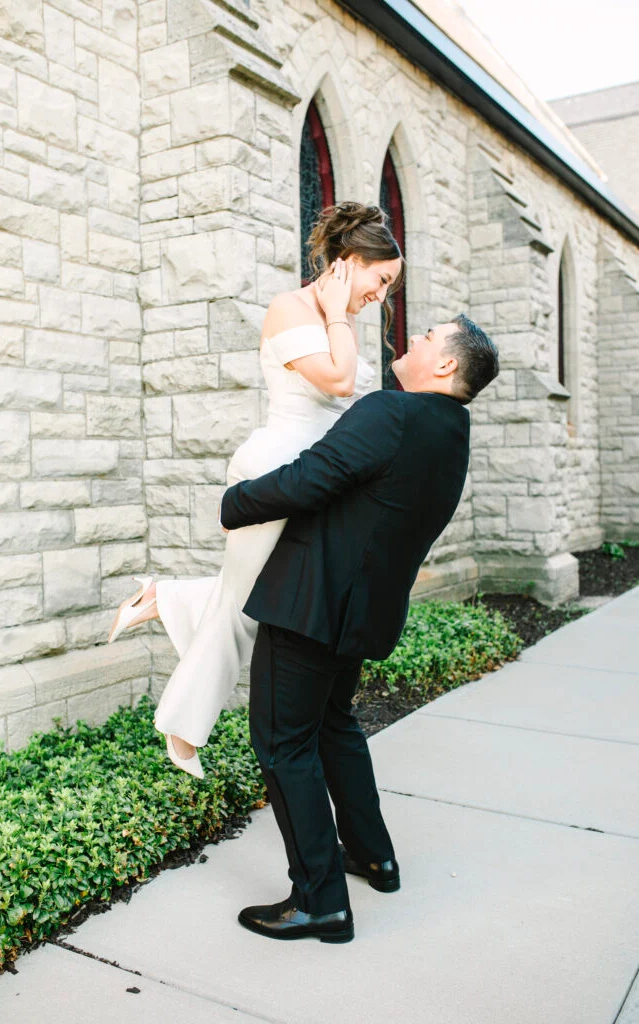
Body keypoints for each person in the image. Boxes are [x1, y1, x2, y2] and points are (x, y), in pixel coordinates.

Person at [219, 314, 499, 943]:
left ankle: (320, 901)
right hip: (363, 611)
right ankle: (374, 856)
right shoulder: (452, 431)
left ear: (447, 365)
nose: (413, 338)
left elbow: (313, 476)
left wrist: (234, 503)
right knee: (334, 726)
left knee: (283, 742)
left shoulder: (391, 412)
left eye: (429, 338)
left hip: (311, 603)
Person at [106, 202, 404, 778]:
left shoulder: (336, 318)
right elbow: (340, 382)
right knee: (244, 608)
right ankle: (183, 729)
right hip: (275, 471)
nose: (383, 295)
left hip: (317, 478)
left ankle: (160, 598)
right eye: (382, 279)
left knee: (260, 595)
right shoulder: (291, 309)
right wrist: (340, 314)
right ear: (349, 262)